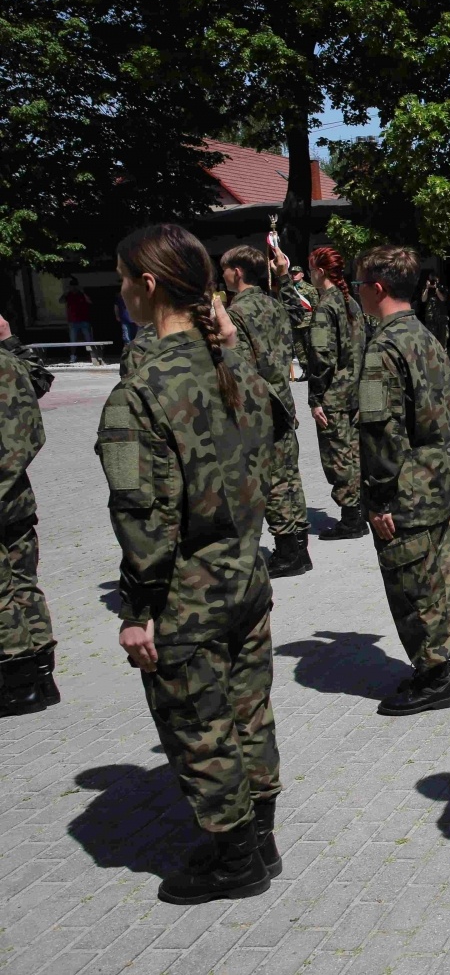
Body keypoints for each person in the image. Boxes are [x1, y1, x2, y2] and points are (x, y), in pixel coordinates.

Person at [97, 223, 282, 904]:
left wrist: (137, 609)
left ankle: (235, 857)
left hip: (188, 594)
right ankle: (261, 836)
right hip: (245, 574)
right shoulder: (227, 367)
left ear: (148, 287)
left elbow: (143, 517)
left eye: (122, 278)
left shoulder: (139, 392)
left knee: (201, 725)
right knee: (249, 711)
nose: (119, 290)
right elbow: (274, 431)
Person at [354, 245, 450, 716]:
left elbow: (381, 430)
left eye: (359, 285)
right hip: (436, 473)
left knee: (412, 583)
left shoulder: (383, 349)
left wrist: (379, 499)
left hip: (404, 485)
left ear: (377, 289)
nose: (355, 292)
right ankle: (444, 666)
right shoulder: (425, 335)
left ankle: (435, 675)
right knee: (437, 576)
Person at [222, 245, 312, 578]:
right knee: (289, 473)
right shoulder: (273, 304)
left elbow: (240, 368)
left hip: (260, 403)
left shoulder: (236, 313)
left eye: (225, 269)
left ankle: (289, 552)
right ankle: (300, 543)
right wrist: (285, 275)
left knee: (271, 478)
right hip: (283, 397)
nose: (223, 275)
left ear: (238, 272)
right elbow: (300, 314)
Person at [0, 311, 59, 716]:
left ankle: (18, 684)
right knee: (23, 582)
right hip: (17, 497)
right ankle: (41, 674)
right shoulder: (11, 363)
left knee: (4, 590)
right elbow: (39, 378)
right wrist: (9, 341)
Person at [304, 246, 368, 541]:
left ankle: (351, 518)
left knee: (338, 457)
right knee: (353, 452)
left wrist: (316, 397)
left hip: (334, 395)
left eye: (310, 269)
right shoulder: (351, 303)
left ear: (319, 271)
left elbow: (321, 357)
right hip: (355, 392)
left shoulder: (325, 307)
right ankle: (359, 510)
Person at [280, 265, 317, 381]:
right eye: (292, 273)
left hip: (307, 322)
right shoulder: (288, 289)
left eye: (296, 273)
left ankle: (314, 371)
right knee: (299, 349)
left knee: (310, 347)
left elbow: (316, 306)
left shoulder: (310, 289)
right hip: (295, 323)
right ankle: (305, 370)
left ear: (302, 274)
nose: (294, 275)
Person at [60, 278, 94, 361]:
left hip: (84, 320)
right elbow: (61, 301)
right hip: (73, 321)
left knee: (88, 339)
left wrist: (83, 292)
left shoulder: (82, 294)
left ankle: (92, 355)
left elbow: (90, 302)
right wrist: (66, 292)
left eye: (75, 286)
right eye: (72, 286)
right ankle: (73, 355)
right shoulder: (68, 295)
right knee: (73, 340)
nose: (74, 288)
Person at [418, 274, 450, 350]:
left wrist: (437, 289)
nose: (433, 282)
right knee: (431, 342)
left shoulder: (442, 288)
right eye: (431, 280)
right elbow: (423, 299)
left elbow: (443, 299)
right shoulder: (427, 289)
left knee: (442, 342)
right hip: (431, 320)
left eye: (435, 280)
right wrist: (427, 288)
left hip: (441, 319)